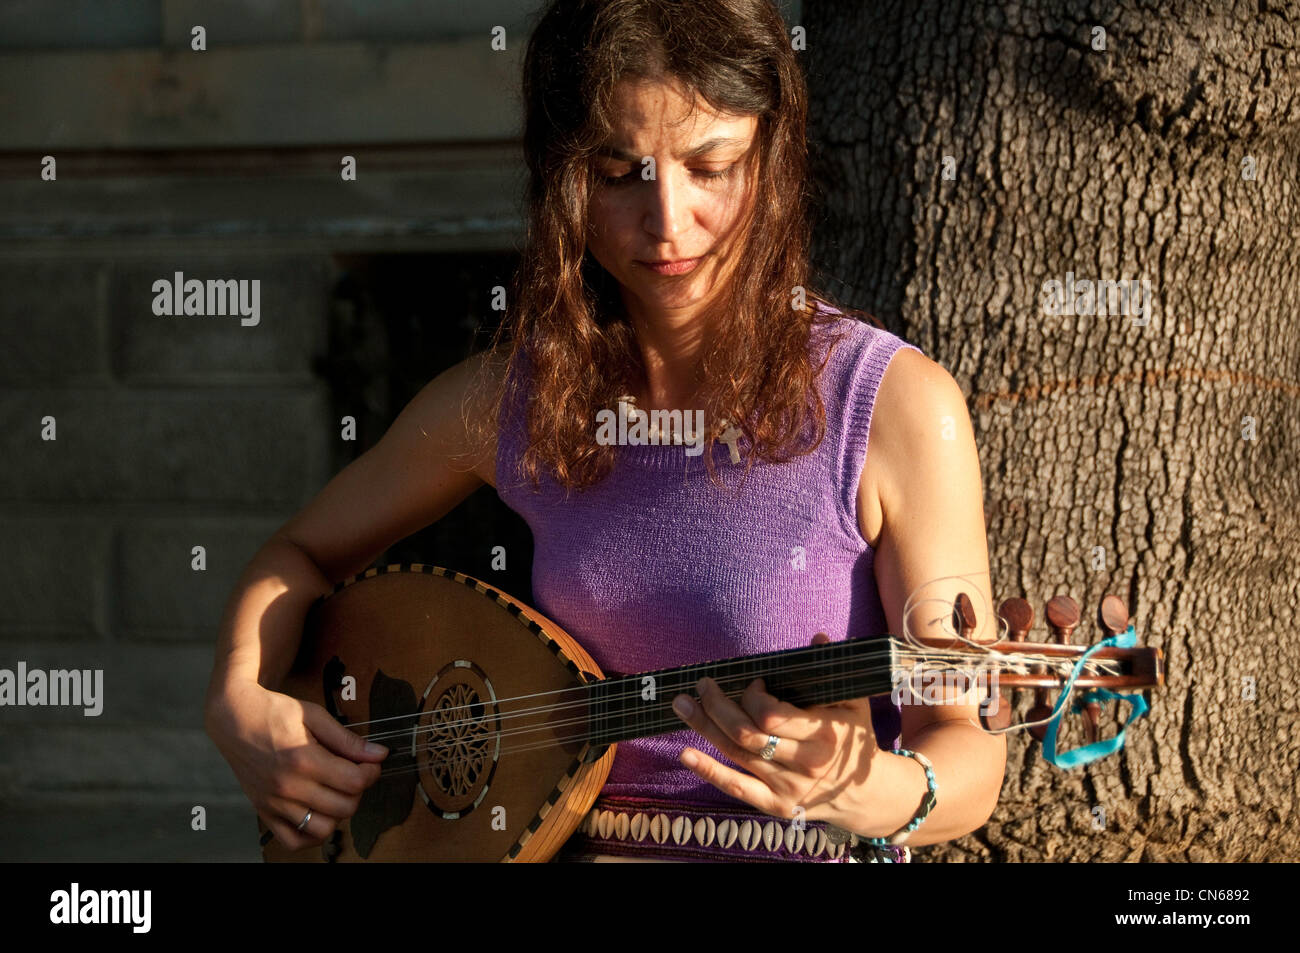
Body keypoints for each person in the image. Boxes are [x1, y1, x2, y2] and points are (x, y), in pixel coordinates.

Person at [205, 0, 1005, 863]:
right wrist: (237, 699)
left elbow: (969, 748)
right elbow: (302, 554)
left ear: (770, 159)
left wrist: (872, 790)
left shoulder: (891, 406)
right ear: (563, 178)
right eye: (622, 172)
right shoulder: (521, 400)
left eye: (712, 165)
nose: (668, 221)